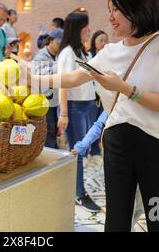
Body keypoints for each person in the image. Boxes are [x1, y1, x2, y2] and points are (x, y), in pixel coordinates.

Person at [30, 0, 159, 232]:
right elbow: (73, 77)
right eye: (109, 10)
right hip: (117, 143)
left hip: (156, 146)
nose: (111, 17)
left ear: (138, 9)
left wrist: (125, 89)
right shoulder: (110, 52)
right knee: (116, 218)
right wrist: (31, 78)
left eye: (117, 10)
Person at [57, 11, 100, 212]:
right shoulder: (67, 53)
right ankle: (79, 194)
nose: (88, 30)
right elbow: (62, 84)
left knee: (83, 150)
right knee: (77, 152)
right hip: (75, 107)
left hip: (88, 104)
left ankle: (77, 190)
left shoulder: (81, 51)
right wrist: (63, 113)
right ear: (77, 29)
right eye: (85, 26)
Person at [33, 28, 63, 149]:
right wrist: (60, 67)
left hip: (54, 97)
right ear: (50, 40)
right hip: (44, 97)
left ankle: (53, 147)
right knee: (48, 126)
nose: (60, 46)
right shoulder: (41, 56)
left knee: (53, 126)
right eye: (58, 43)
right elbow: (39, 75)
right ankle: (49, 151)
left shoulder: (57, 56)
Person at [88, 30, 109, 160]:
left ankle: (96, 151)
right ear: (94, 43)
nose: (104, 43)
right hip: (92, 96)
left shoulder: (108, 57)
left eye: (106, 40)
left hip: (104, 96)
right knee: (92, 123)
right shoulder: (90, 56)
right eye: (101, 40)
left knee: (101, 124)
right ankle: (91, 150)